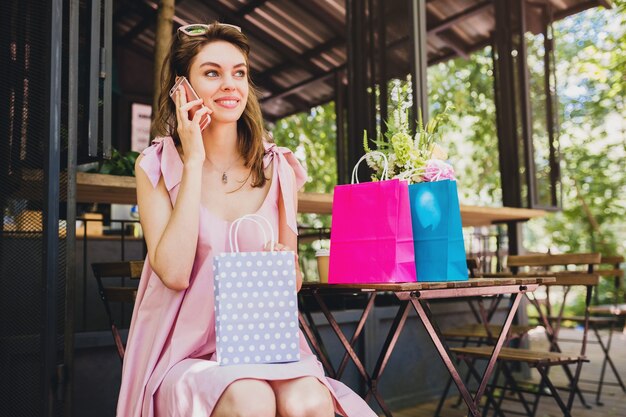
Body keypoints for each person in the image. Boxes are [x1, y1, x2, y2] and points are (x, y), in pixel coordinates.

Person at [116, 22, 376, 417]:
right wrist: (194, 160)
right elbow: (174, 273)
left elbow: (294, 279)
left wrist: (281, 264)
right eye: (212, 73)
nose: (230, 85)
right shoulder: (154, 164)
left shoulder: (278, 166)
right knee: (249, 399)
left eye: (239, 72)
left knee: (309, 401)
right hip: (184, 353)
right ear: (182, 88)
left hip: (263, 346)